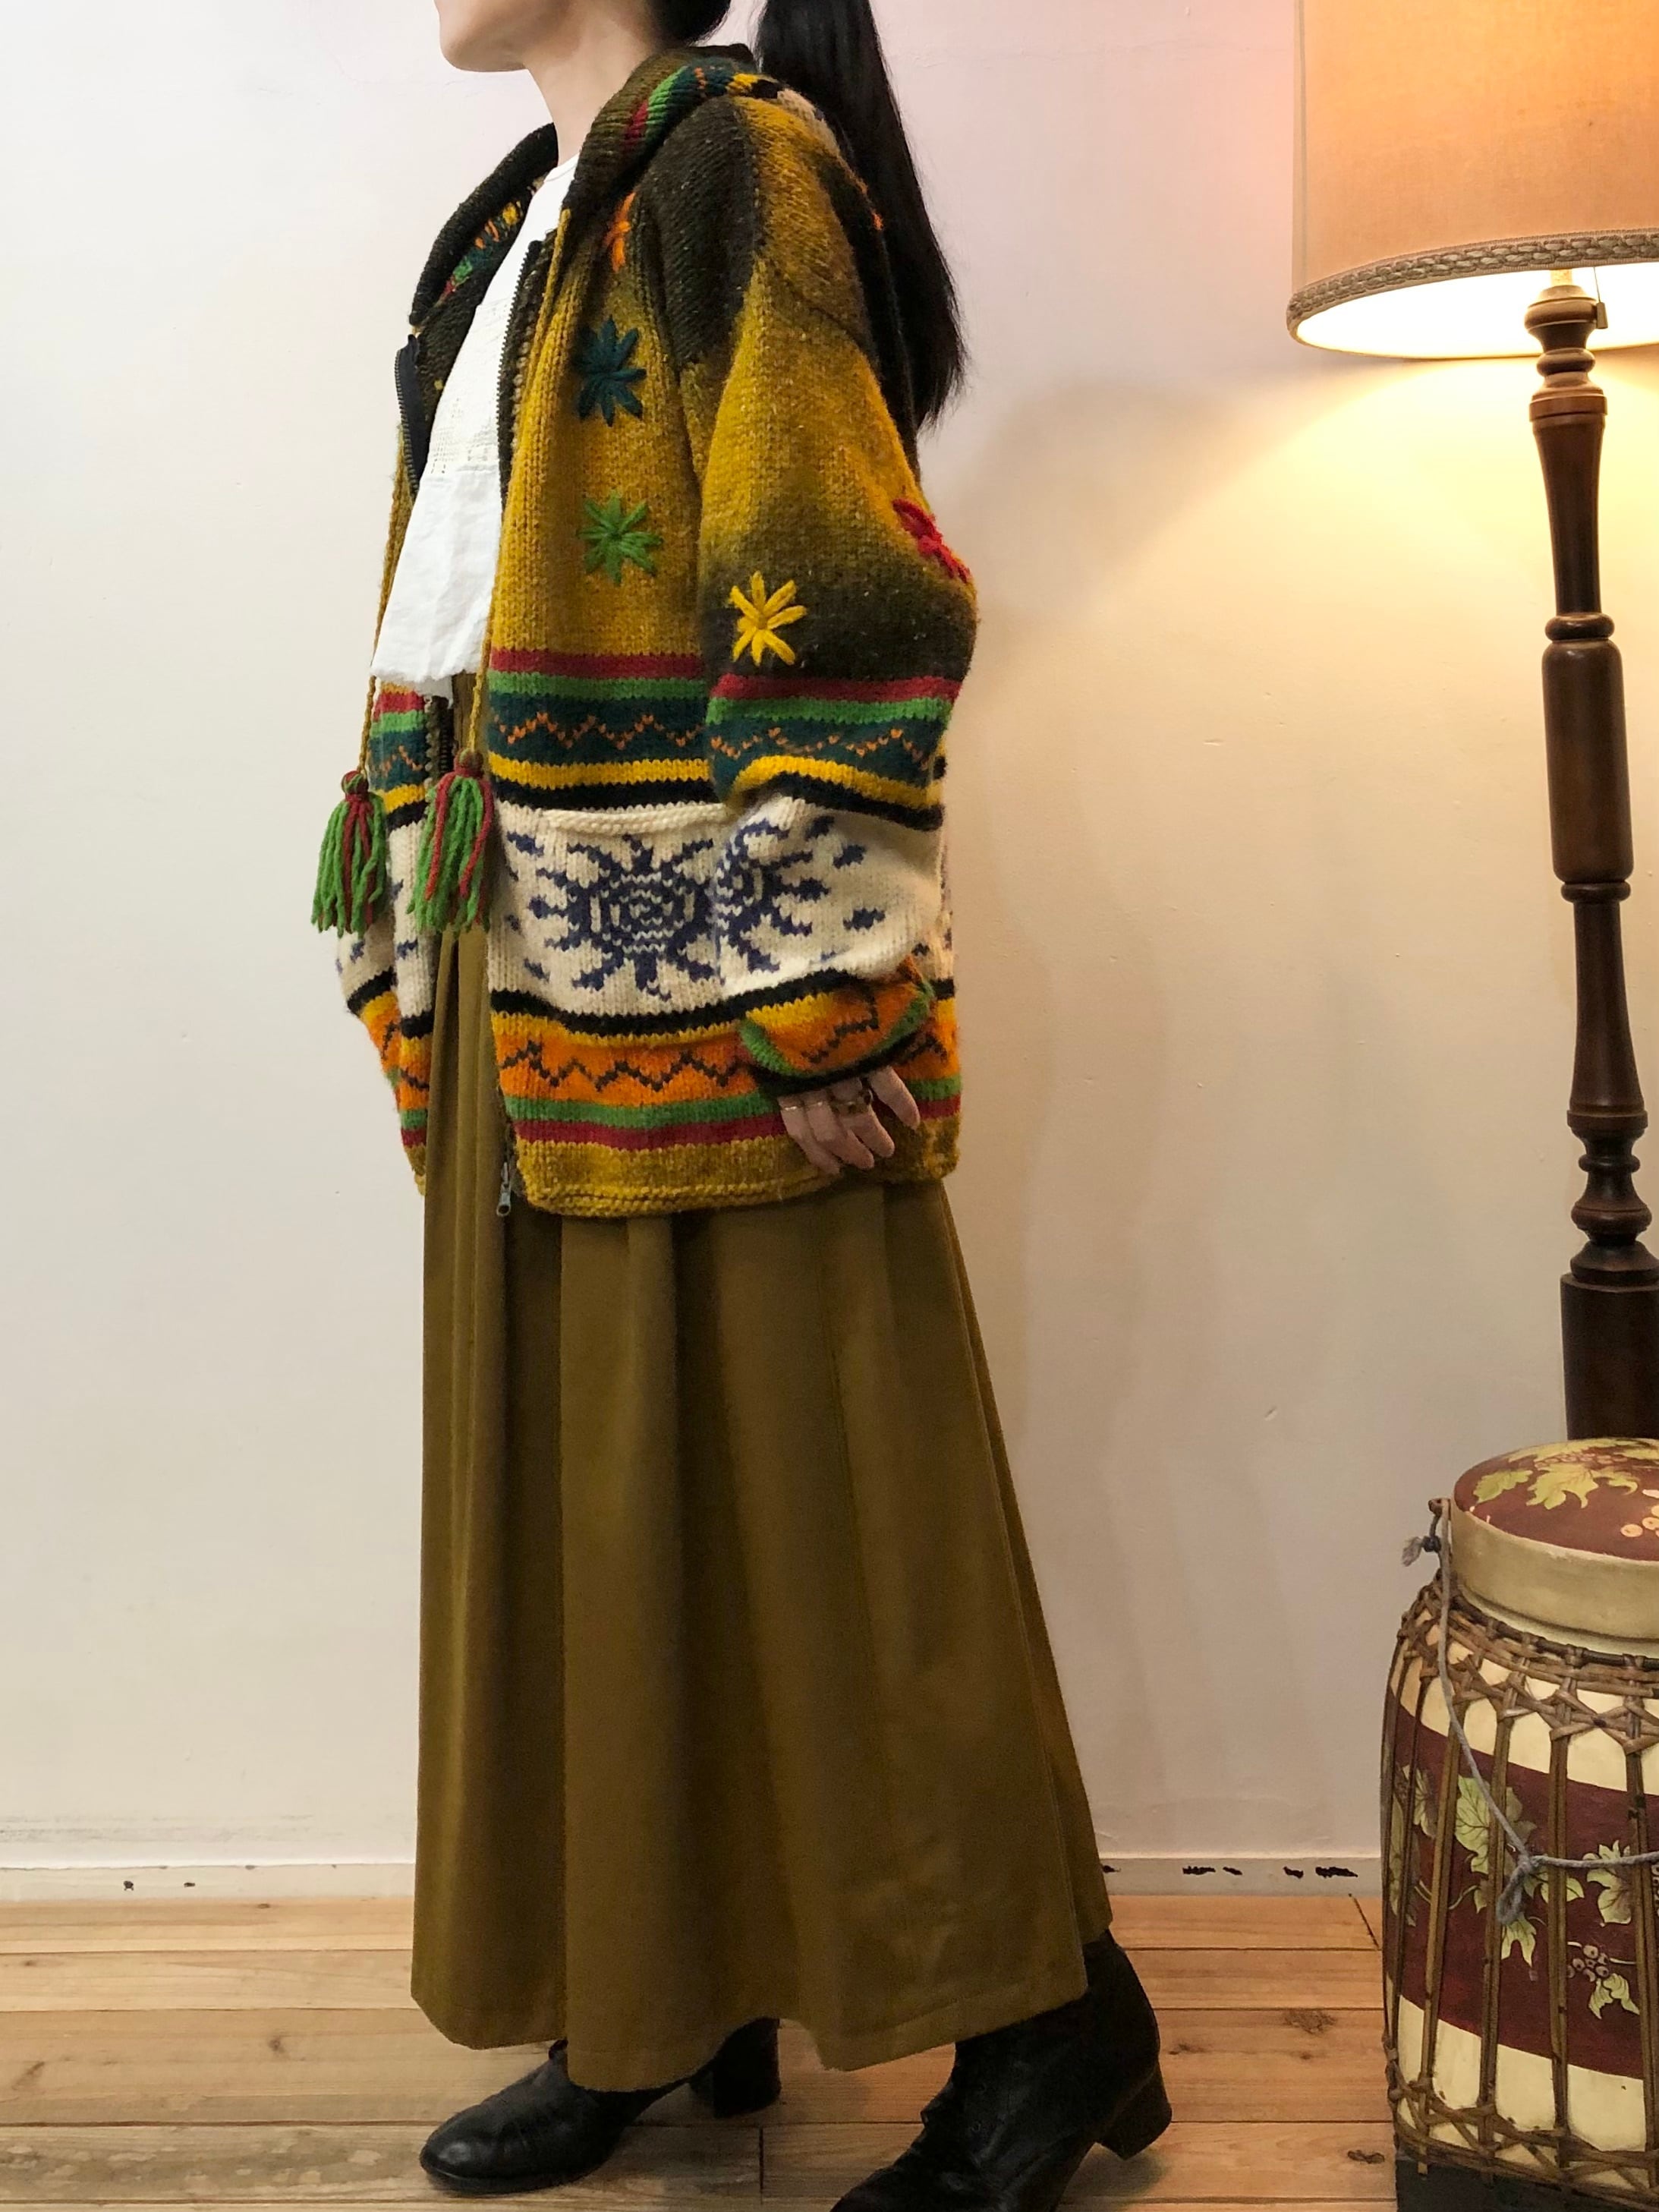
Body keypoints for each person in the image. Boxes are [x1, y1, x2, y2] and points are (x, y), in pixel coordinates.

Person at [310, 0, 1168, 2202]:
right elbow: (444, 620)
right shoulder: (509, 229)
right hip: (529, 969)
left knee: (847, 1508)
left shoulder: (737, 168)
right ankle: (656, 1992)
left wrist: (824, 978)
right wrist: (399, 924)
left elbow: (839, 578)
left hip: (726, 980)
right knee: (593, 1515)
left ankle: (1049, 2020)